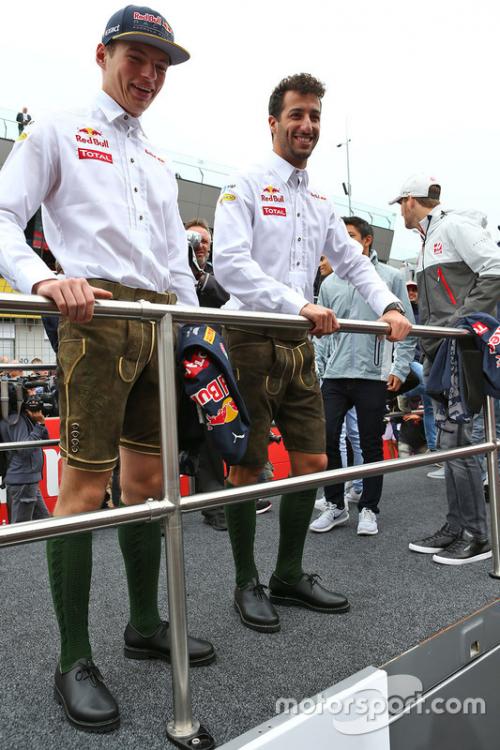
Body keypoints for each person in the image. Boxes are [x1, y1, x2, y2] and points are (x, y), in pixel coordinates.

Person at [0, 6, 215, 733]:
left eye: (162, 65)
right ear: (104, 54)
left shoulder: (157, 159)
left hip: (158, 322)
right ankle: (71, 656)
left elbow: (171, 260)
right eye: (138, 58)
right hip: (94, 316)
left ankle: (145, 622)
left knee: (151, 483)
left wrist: (198, 331)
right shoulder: (59, 127)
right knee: (85, 487)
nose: (150, 75)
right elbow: (2, 212)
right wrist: (40, 278)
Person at [213, 73, 411, 634]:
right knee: (248, 464)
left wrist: (390, 307)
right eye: (297, 114)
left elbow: (352, 263)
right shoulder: (246, 183)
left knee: (314, 460)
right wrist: (295, 301)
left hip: (300, 342)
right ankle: (245, 581)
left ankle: (288, 573)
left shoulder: (321, 199)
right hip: (250, 337)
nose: (307, 126)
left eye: (315, 116)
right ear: (273, 121)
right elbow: (229, 264)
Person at [390, 173, 500, 564]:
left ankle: (476, 533)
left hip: (456, 349)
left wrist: (459, 323)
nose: (400, 210)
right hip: (440, 350)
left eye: (400, 203)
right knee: (449, 443)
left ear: (409, 200)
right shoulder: (429, 238)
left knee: (459, 440)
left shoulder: (453, 226)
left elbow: (495, 269)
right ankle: (458, 525)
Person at [311, 216, 415, 536]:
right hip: (335, 375)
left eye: (351, 235)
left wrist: (398, 368)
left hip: (372, 375)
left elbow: (408, 328)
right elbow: (320, 335)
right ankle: (336, 506)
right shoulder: (329, 283)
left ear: (367, 240)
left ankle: (369, 507)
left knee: (370, 443)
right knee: (327, 439)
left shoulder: (391, 277)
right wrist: (319, 370)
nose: (343, 241)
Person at [185, 218, 229, 530]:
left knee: (212, 434)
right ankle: (155, 511)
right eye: (195, 240)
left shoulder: (211, 274)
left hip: (207, 365)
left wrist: (197, 272)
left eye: (206, 243)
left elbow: (221, 296)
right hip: (168, 358)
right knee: (160, 437)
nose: (202, 247)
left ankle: (214, 506)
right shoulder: (165, 266)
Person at [0, 394, 50, 523]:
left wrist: (40, 423)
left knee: (45, 522)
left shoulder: (21, 419)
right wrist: (38, 426)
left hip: (26, 480)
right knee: (21, 529)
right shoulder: (15, 420)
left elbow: (45, 440)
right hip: (23, 481)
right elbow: (24, 449)